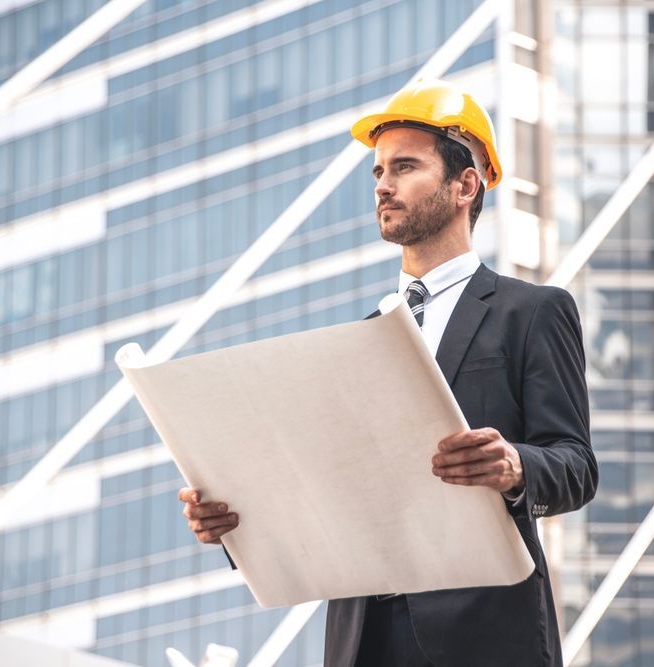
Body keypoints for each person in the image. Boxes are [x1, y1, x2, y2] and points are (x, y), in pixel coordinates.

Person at [177, 79, 597, 666]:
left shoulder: (531, 312)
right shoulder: (360, 340)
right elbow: (323, 492)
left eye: (404, 167)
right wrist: (238, 523)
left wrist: (514, 464)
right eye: (377, 173)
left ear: (464, 184)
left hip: (483, 634)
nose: (383, 185)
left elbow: (576, 464)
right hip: (362, 638)